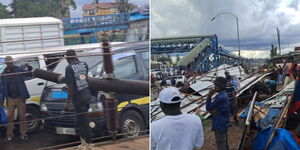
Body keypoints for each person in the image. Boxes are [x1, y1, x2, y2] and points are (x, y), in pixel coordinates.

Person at [64, 50, 94, 150]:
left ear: (68, 57)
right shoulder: (84, 64)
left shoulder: (69, 68)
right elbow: (85, 79)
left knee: (83, 122)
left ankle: (89, 144)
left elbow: (71, 87)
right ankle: (84, 143)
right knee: (83, 121)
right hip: (86, 95)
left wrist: (67, 103)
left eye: (66, 57)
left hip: (78, 98)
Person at [1, 56, 32, 141]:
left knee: (22, 116)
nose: (10, 64)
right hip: (10, 98)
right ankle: (10, 135)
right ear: (6, 64)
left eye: (11, 62)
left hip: (20, 97)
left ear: (13, 62)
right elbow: (3, 88)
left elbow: (29, 73)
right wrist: (2, 100)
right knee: (9, 117)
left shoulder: (18, 70)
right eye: (9, 63)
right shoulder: (3, 74)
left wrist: (29, 67)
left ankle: (24, 134)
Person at [206, 77, 230, 150]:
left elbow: (208, 107)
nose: (214, 87)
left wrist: (209, 95)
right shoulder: (224, 94)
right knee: (224, 142)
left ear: (220, 86)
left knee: (220, 144)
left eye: (216, 85)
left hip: (219, 123)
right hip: (223, 121)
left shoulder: (220, 97)